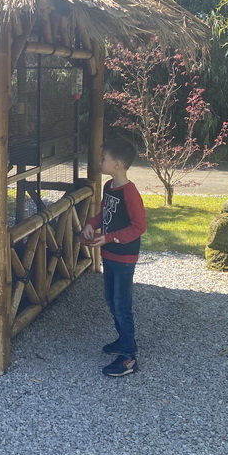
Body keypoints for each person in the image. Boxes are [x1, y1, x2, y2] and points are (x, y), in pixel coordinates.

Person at [81, 138, 147, 377]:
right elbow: (103, 214)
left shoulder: (130, 192)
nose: (100, 162)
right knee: (111, 301)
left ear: (117, 164)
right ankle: (124, 341)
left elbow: (139, 227)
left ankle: (129, 358)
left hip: (124, 258)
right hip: (109, 254)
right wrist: (91, 224)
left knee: (122, 306)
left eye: (103, 158)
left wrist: (109, 239)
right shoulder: (109, 187)